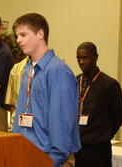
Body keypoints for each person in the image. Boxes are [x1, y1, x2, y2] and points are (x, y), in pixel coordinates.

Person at [12, 13, 81, 167]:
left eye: (23, 35)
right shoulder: (27, 69)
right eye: (17, 36)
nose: (18, 41)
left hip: (49, 159)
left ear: (40, 34)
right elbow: (21, 114)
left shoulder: (58, 71)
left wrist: (52, 161)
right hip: (26, 154)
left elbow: (62, 121)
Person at [74, 42, 122, 167]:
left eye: (85, 57)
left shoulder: (109, 84)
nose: (81, 62)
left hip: (99, 150)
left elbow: (119, 116)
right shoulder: (74, 81)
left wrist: (104, 134)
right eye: (78, 58)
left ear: (96, 57)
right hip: (78, 148)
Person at [5, 55, 29, 132]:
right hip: (19, 122)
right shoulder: (17, 68)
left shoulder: (54, 68)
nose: (19, 42)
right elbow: (11, 103)